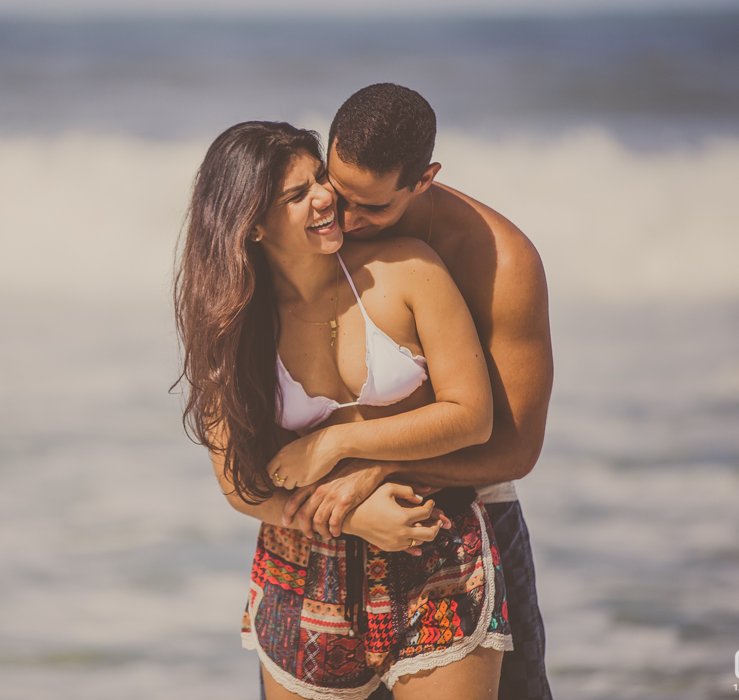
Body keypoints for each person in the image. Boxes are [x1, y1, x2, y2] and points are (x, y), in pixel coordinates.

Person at [175, 120, 513, 700]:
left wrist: (337, 444)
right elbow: (240, 487)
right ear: (252, 225)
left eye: (319, 179)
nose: (325, 197)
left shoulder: (408, 269)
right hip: (303, 567)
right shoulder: (229, 325)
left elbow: (471, 415)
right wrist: (349, 516)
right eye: (296, 194)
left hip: (433, 547)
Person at [279, 84, 554, 700]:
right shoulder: (319, 226)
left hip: (465, 518)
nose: (344, 221)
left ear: (423, 180)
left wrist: (377, 464)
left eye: (370, 208)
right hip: (333, 523)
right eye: (336, 191)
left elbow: (516, 451)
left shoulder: (499, 262)